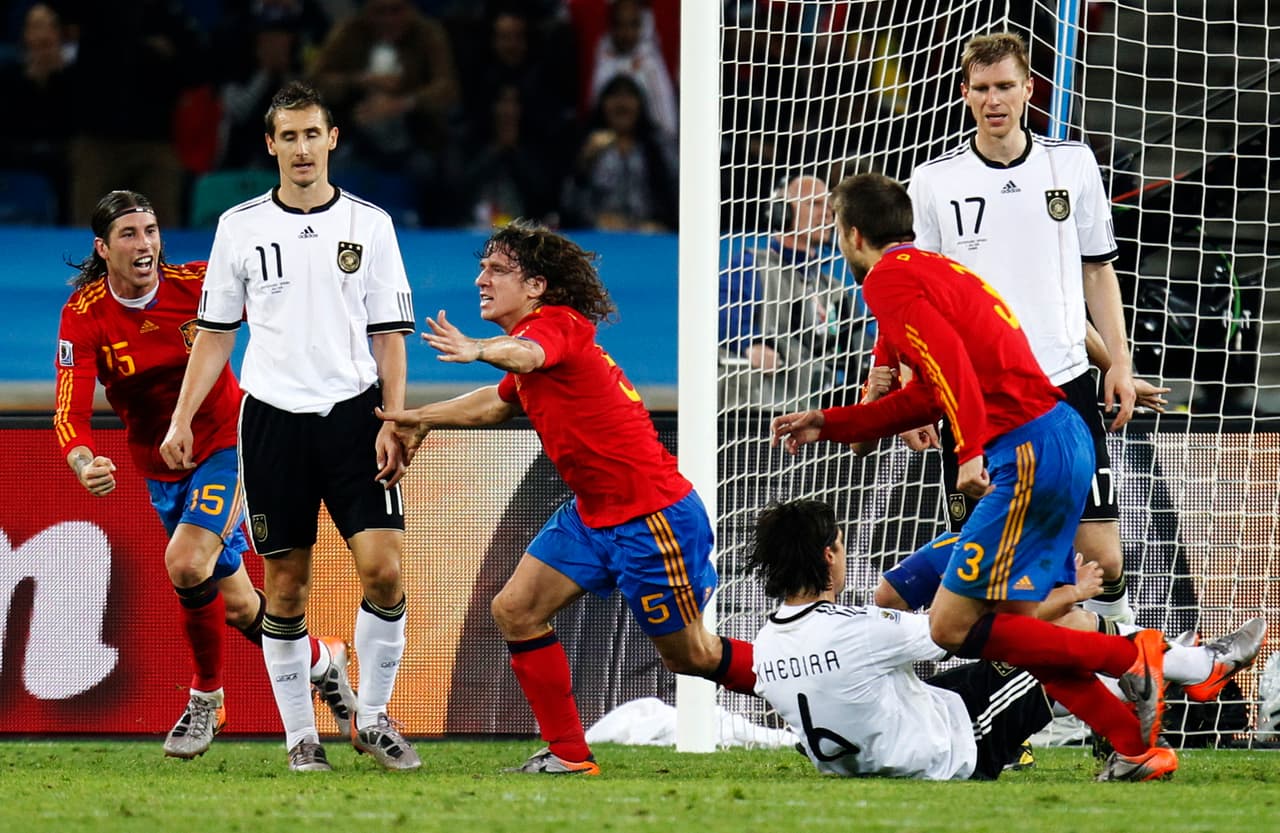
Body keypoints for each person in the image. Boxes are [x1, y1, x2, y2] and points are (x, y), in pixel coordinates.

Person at [770, 172, 1176, 781]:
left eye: (835, 228)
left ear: (853, 234)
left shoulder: (887, 280)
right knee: (1018, 626)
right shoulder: (936, 270)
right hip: (1057, 437)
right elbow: (929, 394)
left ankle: (1128, 656)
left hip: (1028, 450)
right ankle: (1136, 743)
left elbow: (951, 365)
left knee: (950, 625)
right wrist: (832, 422)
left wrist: (968, 455)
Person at [376, 220, 757, 775]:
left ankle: (811, 690)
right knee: (515, 610)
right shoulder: (535, 346)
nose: (480, 279)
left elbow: (526, 357)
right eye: (482, 267)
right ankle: (569, 755)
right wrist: (420, 419)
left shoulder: (555, 325)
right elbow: (499, 403)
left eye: (497, 270)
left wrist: (478, 348)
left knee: (692, 657)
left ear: (535, 286)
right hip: (590, 515)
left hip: (650, 517)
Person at [159, 81, 418, 773]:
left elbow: (391, 336)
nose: (302, 149)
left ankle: (372, 717)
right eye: (289, 137)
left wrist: (394, 418)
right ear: (270, 145)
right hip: (272, 418)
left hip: (355, 414)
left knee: (384, 569)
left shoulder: (370, 224)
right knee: (286, 585)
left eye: (313, 135)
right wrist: (183, 417)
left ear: (332, 140)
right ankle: (301, 737)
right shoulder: (239, 226)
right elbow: (214, 336)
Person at [53, 189, 356, 760]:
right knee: (239, 606)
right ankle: (321, 659)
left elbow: (282, 308)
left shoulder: (197, 285)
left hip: (227, 444)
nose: (145, 244)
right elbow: (69, 411)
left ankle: (207, 698)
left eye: (150, 230)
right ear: (103, 247)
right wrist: (83, 460)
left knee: (186, 561)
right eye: (129, 235)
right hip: (159, 470)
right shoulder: (85, 314)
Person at [905, 31, 1159, 626]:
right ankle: (1073, 702)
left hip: (1065, 387)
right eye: (983, 89)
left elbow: (1095, 272)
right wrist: (913, 391)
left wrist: (1117, 362)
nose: (995, 100)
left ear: (1028, 89)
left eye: (1006, 87)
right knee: (1001, 575)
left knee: (1103, 559)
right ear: (965, 93)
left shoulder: (1070, 164)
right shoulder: (935, 181)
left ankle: (1120, 654)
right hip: (975, 397)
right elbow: (917, 298)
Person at [749, 499, 1267, 781]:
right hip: (954, 745)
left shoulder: (765, 644)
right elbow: (972, 633)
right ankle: (1185, 675)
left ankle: (1171, 682)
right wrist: (1069, 596)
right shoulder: (860, 627)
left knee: (1022, 644)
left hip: (896, 731)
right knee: (1043, 642)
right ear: (829, 556)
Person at [719, 173, 872, 411]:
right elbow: (719, 313)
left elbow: (861, 349)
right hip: (757, 413)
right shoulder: (751, 266)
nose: (827, 214)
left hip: (813, 415)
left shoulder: (833, 289)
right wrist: (750, 345)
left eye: (830, 207)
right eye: (815, 204)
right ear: (782, 212)